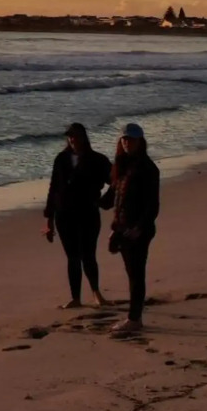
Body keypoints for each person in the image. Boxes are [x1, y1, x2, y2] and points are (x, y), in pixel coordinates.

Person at [42, 122, 112, 308]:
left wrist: (104, 201)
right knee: (72, 257)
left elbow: (116, 181)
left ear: (84, 137)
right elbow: (53, 188)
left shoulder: (98, 160)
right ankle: (75, 298)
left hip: (88, 213)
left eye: (76, 136)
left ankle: (97, 294)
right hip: (64, 215)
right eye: (70, 136)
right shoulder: (61, 159)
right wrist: (49, 220)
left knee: (88, 254)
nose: (73, 139)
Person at [101, 122, 161, 335]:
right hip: (122, 227)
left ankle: (134, 320)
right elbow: (109, 200)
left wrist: (138, 228)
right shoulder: (122, 166)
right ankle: (134, 317)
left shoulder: (148, 169)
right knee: (131, 273)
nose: (127, 143)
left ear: (140, 142)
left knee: (136, 274)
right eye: (124, 139)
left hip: (139, 230)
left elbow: (152, 206)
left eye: (131, 139)